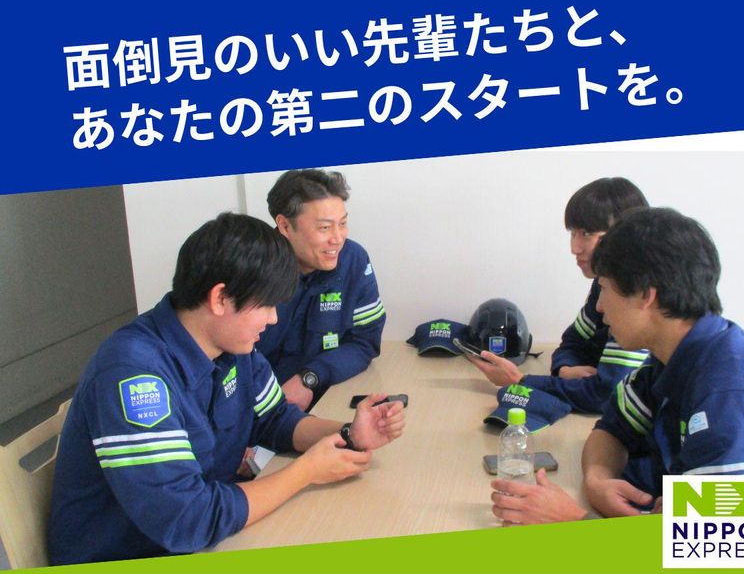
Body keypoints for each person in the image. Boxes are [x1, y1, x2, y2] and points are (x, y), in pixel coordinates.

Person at [48, 213, 405, 564]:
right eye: (266, 305)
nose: (273, 318)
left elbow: (276, 419)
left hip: (208, 537)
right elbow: (187, 520)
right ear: (220, 298)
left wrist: (347, 433)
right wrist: (305, 472)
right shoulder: (134, 373)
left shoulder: (232, 346)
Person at [490, 207, 744, 524]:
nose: (599, 306)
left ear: (645, 296)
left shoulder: (731, 397)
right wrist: (598, 481)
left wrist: (571, 521)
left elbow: (723, 545)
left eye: (605, 289)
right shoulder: (676, 355)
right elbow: (612, 428)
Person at [467, 178, 650, 414]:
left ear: (624, 234)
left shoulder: (635, 298)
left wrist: (521, 381)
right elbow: (573, 341)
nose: (574, 248)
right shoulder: (602, 284)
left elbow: (605, 395)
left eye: (586, 234)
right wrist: (566, 369)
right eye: (573, 233)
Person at [255, 169, 386, 411]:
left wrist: (310, 377)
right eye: (325, 228)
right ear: (284, 225)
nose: (338, 238)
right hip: (256, 411)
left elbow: (364, 343)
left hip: (323, 398)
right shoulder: (249, 268)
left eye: (343, 224)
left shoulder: (353, 260)